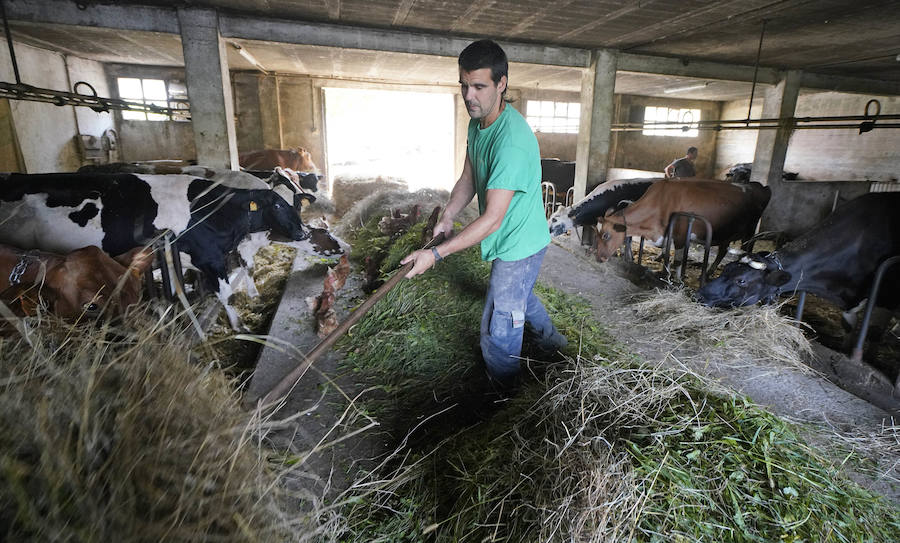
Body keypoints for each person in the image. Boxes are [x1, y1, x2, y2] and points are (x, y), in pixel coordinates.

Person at [401, 39, 566, 390]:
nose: (469, 96)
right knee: (520, 296)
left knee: (499, 321)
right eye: (464, 86)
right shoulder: (479, 123)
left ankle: (503, 392)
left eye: (479, 86)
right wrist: (447, 216)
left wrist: (435, 254)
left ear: (501, 83)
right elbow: (469, 177)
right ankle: (556, 347)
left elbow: (492, 219)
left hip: (519, 242)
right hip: (514, 234)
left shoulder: (511, 142)